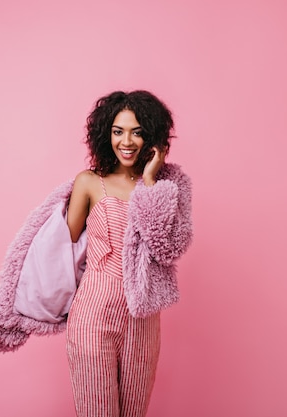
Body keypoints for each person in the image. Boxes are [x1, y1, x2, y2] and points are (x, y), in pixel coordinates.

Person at [65, 90, 193, 417]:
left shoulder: (165, 187)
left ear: (151, 137)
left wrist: (150, 180)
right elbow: (66, 245)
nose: (127, 141)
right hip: (94, 315)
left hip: (143, 318)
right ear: (105, 134)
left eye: (137, 132)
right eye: (118, 131)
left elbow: (167, 247)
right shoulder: (90, 182)